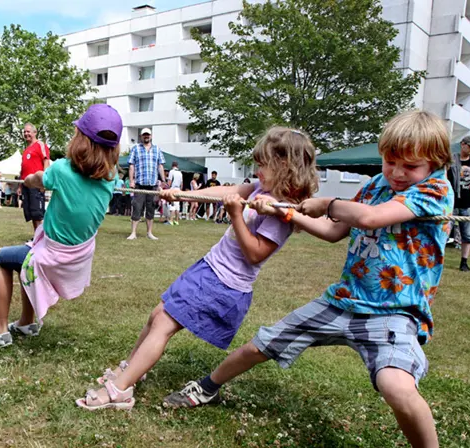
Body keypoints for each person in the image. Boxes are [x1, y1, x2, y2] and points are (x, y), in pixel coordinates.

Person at [163, 110, 470, 448]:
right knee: (261, 344)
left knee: (395, 385)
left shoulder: (436, 190)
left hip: (394, 311)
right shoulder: (375, 185)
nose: (396, 172)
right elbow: (335, 232)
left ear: (433, 162)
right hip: (343, 301)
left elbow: (367, 219)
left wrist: (328, 204)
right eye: (390, 161)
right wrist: (290, 215)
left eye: (409, 165)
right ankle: (206, 388)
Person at [77, 126, 319, 410]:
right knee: (157, 316)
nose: (257, 170)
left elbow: (254, 254)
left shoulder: (281, 211)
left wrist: (236, 216)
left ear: (285, 166)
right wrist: (184, 195)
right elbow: (226, 191)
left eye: (263, 164)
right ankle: (132, 369)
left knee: (164, 325)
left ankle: (120, 390)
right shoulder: (258, 188)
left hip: (224, 283)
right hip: (209, 269)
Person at [0, 104, 122, 347]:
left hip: (54, 258)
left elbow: (36, 179)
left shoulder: (61, 169)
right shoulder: (112, 179)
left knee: (2, 258)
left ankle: (1, 329)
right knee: (25, 260)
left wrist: (27, 180)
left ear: (81, 139)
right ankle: (26, 322)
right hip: (76, 260)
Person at [448, 135, 470, 271]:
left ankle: (464, 262)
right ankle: (438, 259)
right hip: (451, 203)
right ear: (462, 144)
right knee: (443, 233)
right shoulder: (450, 161)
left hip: (469, 203)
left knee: (468, 235)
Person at [127, 128, 165, 240]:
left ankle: (149, 233)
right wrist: (131, 181)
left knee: (151, 209)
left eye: (148, 135)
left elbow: (160, 166)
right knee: (137, 208)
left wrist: (163, 180)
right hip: (139, 184)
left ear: (151, 136)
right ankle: (133, 233)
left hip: (152, 185)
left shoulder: (157, 149)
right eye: (144, 135)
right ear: (141, 136)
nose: (146, 136)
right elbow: (131, 166)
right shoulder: (135, 149)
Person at [20, 123, 51, 233]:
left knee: (38, 214)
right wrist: (20, 185)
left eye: (28, 131)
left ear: (35, 132)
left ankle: (43, 238)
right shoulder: (26, 150)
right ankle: (36, 237)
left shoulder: (40, 145)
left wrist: (44, 181)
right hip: (26, 184)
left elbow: (46, 161)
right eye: (24, 132)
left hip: (36, 184)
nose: (26, 134)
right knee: (32, 213)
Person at [167, 161, 183, 225]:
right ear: (177, 166)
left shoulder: (171, 172)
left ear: (172, 165)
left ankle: (171, 221)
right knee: (177, 206)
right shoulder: (180, 173)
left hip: (173, 189)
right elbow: (182, 183)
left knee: (172, 205)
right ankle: (176, 221)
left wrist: (167, 188)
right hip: (178, 189)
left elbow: (169, 182)